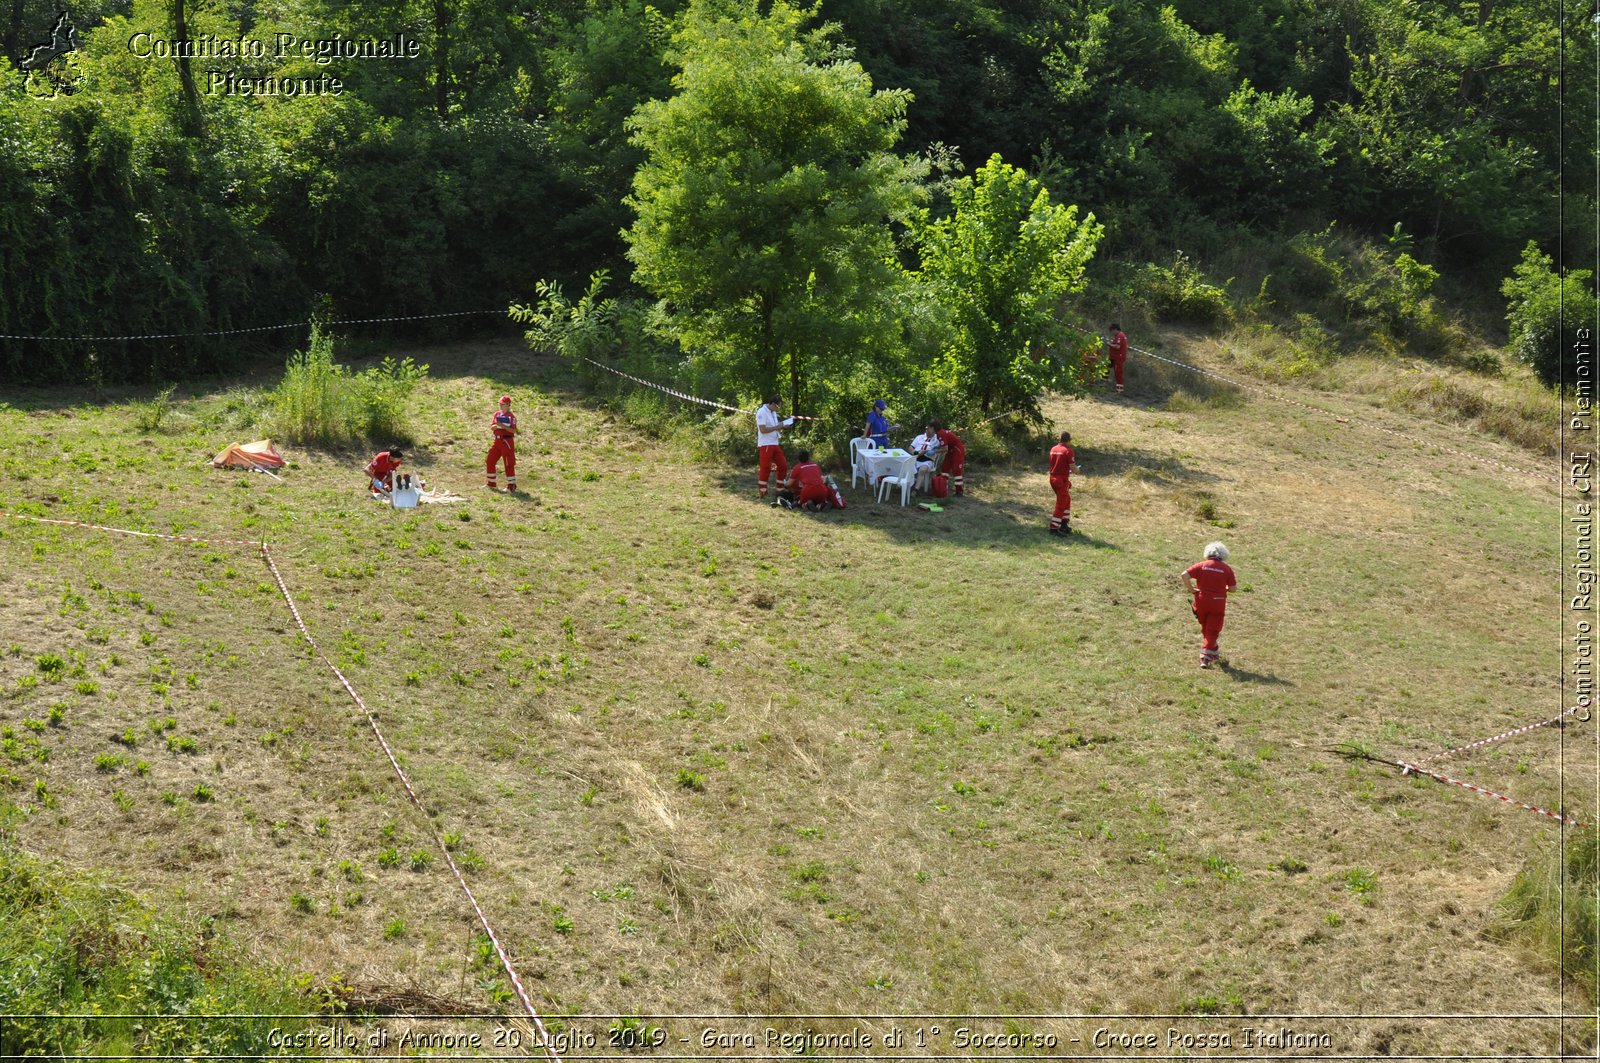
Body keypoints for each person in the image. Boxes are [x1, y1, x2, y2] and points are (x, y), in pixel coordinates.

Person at [1182, 542, 1237, 668]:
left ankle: (1214, 650)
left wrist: (1191, 589)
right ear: (1223, 555)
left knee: (1206, 627)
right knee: (1213, 629)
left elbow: (1184, 575)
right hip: (1217, 602)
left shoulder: (1202, 565)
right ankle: (1205, 657)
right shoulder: (1226, 569)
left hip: (1201, 601)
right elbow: (1233, 589)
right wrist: (1226, 587)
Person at [756, 395, 794, 500]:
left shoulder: (773, 412)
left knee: (783, 466)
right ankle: (762, 491)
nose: (778, 408)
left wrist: (783, 426)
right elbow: (763, 430)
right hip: (766, 444)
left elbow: (774, 428)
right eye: (778, 406)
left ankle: (780, 489)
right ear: (773, 404)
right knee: (765, 467)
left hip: (775, 443)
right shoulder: (761, 412)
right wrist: (778, 426)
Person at [1048, 431, 1081, 535]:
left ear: (1059, 439)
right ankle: (1054, 528)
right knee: (1061, 504)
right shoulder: (1068, 451)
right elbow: (1073, 467)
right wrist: (1077, 470)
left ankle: (1064, 523)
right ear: (1069, 440)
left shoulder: (1053, 449)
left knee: (1066, 500)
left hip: (1053, 478)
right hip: (1061, 479)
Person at [486, 394, 519, 491]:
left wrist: (503, 426)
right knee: (490, 460)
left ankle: (511, 485)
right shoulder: (497, 414)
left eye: (502, 404)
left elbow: (513, 431)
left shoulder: (511, 416)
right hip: (497, 440)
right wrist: (496, 426)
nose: (500, 406)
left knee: (508, 463)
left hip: (506, 441)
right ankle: (491, 483)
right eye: (500, 404)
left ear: (508, 405)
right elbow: (492, 426)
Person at [930, 422, 966, 496]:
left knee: (956, 470)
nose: (928, 430)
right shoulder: (939, 433)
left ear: (933, 428)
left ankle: (959, 491)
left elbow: (945, 448)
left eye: (929, 428)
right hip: (951, 450)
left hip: (957, 449)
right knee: (945, 468)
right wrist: (936, 448)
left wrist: (935, 451)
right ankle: (942, 489)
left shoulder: (941, 434)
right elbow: (945, 445)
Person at [1106, 323, 1129, 393]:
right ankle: (1103, 382)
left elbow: (1117, 347)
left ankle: (1119, 389)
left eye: (1112, 331)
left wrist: (1109, 344)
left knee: (1118, 372)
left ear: (1115, 329)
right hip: (1113, 357)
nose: (1112, 333)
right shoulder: (1117, 336)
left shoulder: (1120, 336)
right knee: (1106, 367)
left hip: (1118, 358)